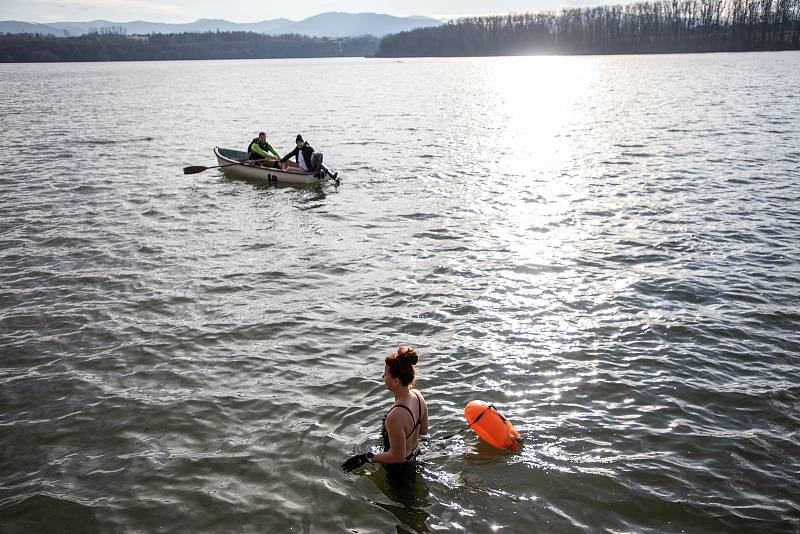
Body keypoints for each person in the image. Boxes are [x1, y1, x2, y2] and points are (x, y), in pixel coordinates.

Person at [342, 346, 428, 473]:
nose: (383, 377)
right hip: (416, 457)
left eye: (386, 374)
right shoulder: (417, 395)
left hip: (400, 471)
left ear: (395, 381)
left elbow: (397, 457)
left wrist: (365, 458)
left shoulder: (395, 416)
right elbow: (423, 431)